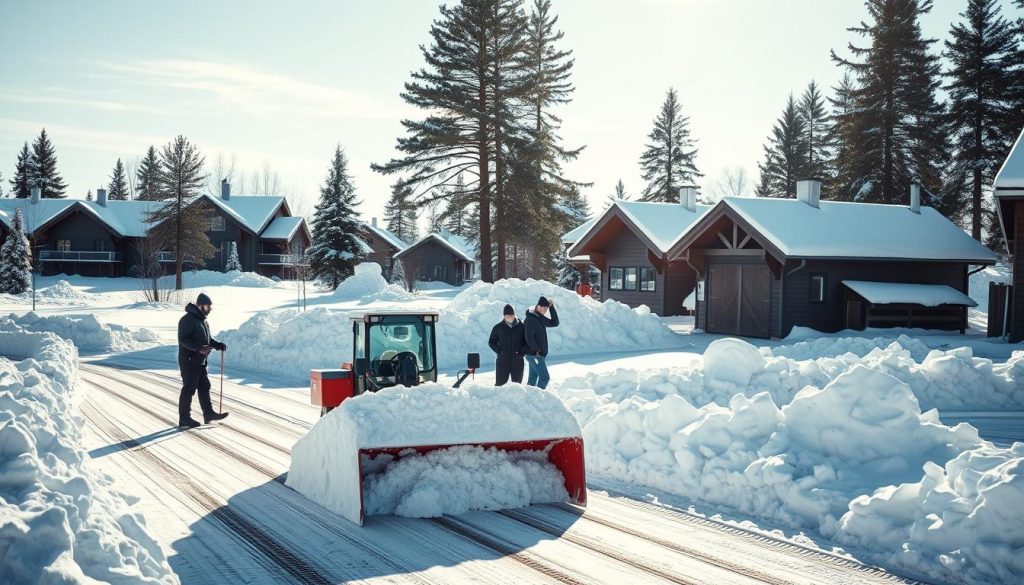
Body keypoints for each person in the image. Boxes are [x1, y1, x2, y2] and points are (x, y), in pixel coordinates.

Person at [177, 293, 229, 428]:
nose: (209, 309)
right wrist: (198, 349)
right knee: (189, 389)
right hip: (189, 361)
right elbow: (183, 339)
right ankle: (184, 418)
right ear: (200, 306)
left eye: (210, 307)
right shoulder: (187, 320)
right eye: (207, 306)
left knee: (204, 386)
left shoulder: (202, 321)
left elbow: (207, 340)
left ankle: (208, 413)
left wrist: (217, 345)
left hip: (200, 361)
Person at [524, 296, 559, 389]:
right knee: (544, 377)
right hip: (535, 354)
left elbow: (555, 323)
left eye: (546, 308)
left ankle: (529, 398)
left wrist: (551, 308)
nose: (544, 310)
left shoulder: (539, 317)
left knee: (533, 377)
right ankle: (537, 398)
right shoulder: (531, 319)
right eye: (543, 307)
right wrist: (537, 350)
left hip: (534, 354)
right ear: (537, 306)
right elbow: (528, 337)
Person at [488, 304, 526, 385]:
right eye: (508, 316)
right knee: (500, 385)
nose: (511, 318)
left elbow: (527, 341)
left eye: (512, 315)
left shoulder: (521, 327)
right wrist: (499, 350)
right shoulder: (498, 328)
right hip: (503, 361)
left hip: (517, 361)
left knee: (517, 386)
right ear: (504, 316)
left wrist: (522, 352)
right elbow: (491, 342)